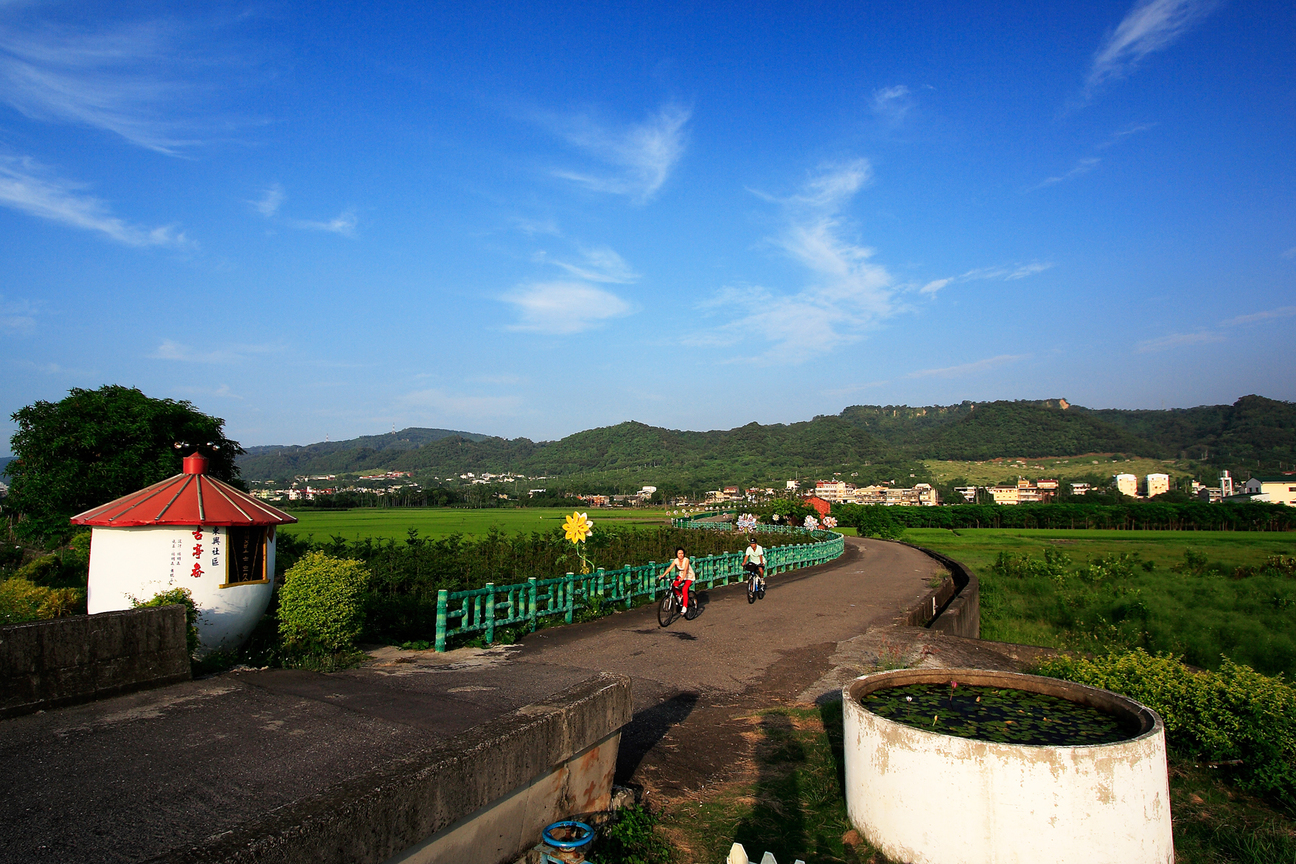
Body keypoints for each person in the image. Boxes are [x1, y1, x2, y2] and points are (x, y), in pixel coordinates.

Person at [661, 547, 695, 613]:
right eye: (679, 553)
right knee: (674, 585)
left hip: (689, 576)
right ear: (677, 554)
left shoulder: (686, 560)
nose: (681, 555)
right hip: (681, 575)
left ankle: (685, 606)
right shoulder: (676, 560)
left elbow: (685, 570)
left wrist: (683, 577)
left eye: (682, 553)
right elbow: (669, 568)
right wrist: (663, 575)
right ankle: (679, 596)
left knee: (684, 589)